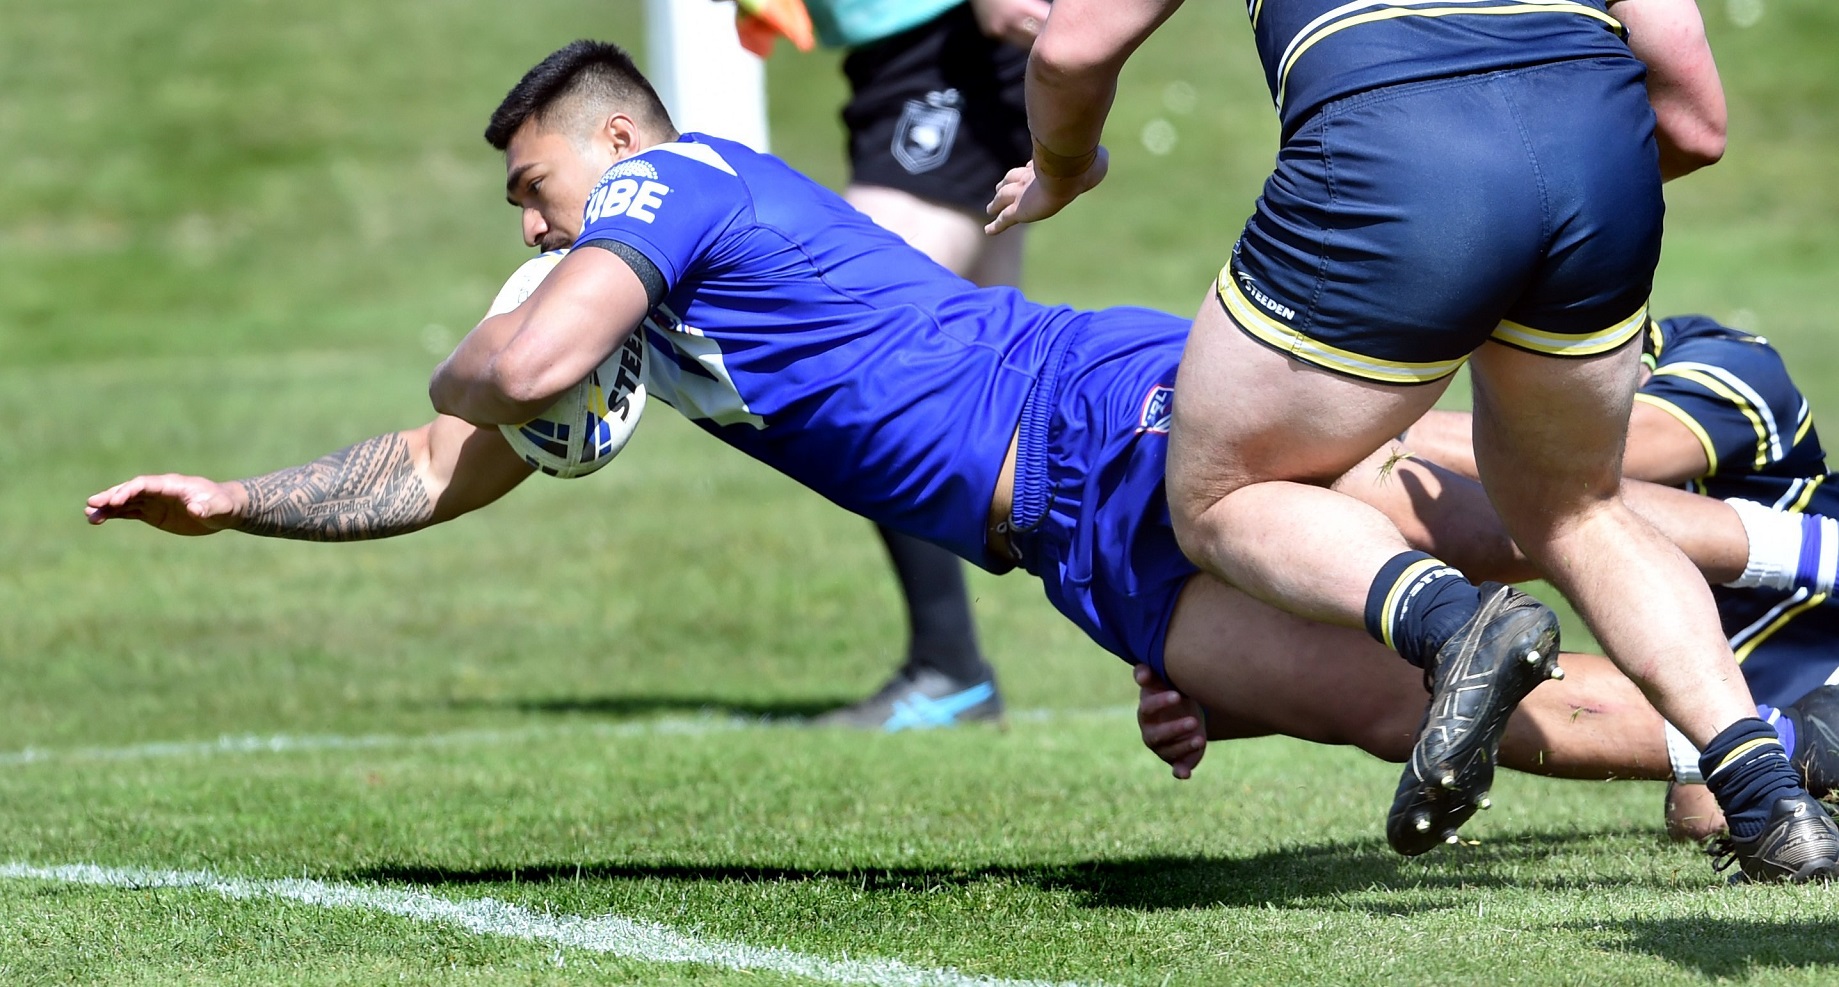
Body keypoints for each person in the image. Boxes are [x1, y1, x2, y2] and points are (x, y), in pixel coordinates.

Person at [85, 40, 1839, 880]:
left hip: (1092, 412)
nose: (525, 220)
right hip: (1064, 546)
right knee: (1388, 699)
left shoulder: (665, 181)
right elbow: (452, 457)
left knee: (1492, 518)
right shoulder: (633, 309)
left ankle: (1782, 533)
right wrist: (237, 503)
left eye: (528, 188)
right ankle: (1779, 740)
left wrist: (481, 333)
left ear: (609, 144)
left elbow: (504, 371)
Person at [981, 0, 1838, 880]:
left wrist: (1061, 168)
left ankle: (1453, 622)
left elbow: (1071, 49)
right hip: (1596, 160)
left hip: (1393, 144)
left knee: (1217, 495)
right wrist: (1537, 205)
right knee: (1580, 511)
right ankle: (1768, 795)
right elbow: (1695, 124)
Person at [1139, 313, 1839, 842]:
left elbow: (1605, 467)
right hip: (1746, 683)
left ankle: (1816, 561)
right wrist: (1229, 696)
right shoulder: (1517, 470)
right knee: (1711, 810)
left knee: (1570, 503)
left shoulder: (1728, 362)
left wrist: (1325, 435)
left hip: (1820, 639)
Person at [798, 0, 1050, 730]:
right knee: (991, 388)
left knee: (852, 354)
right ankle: (1197, 637)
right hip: (904, 64)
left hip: (951, 53)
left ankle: (949, 665)